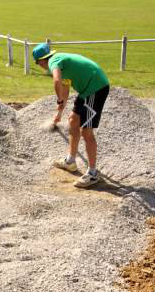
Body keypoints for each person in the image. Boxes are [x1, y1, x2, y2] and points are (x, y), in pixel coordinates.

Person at [33, 43, 110, 188]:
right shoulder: (61, 61)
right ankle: (70, 161)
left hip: (96, 88)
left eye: (38, 64)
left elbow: (56, 81)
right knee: (73, 120)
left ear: (41, 60)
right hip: (87, 90)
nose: (41, 66)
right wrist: (60, 111)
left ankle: (93, 174)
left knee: (86, 131)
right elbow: (65, 86)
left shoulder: (53, 62)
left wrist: (59, 99)